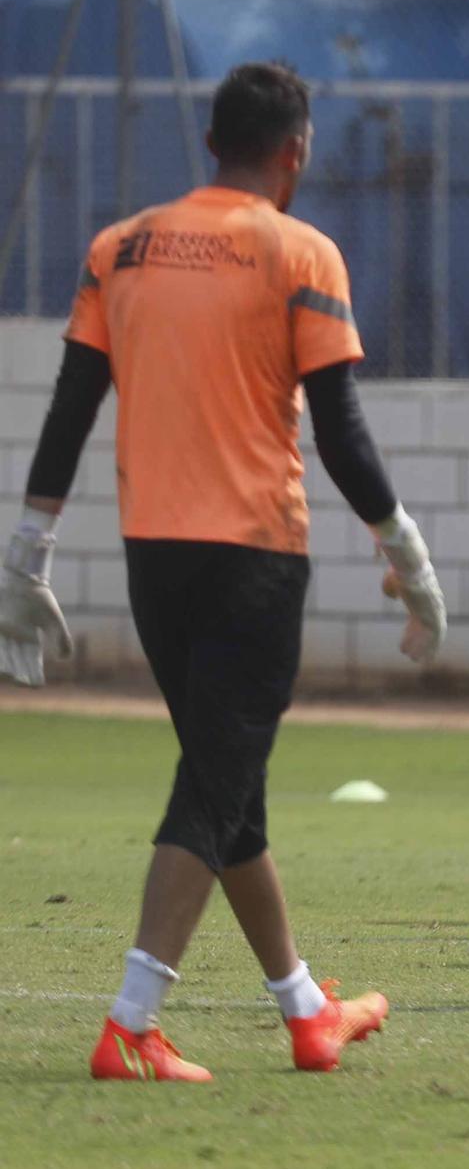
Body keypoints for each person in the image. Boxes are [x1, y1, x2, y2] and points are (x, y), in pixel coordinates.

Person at [0, 62, 445, 1080]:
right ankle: (131, 1021)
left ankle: (307, 1009)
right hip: (254, 557)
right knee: (212, 781)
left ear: (210, 145)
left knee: (228, 784)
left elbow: (71, 406)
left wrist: (29, 548)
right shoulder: (301, 250)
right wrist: (406, 551)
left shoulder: (121, 247)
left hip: (153, 558)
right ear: (296, 152)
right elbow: (340, 430)